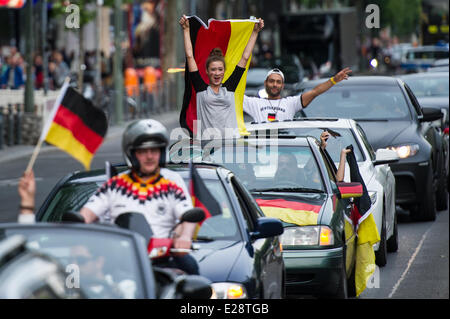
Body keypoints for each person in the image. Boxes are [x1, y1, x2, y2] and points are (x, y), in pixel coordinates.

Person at [79, 119, 199, 274]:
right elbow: (87, 213)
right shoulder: (115, 185)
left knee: (193, 275)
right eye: (142, 151)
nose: (149, 156)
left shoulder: (172, 181)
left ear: (161, 153)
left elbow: (187, 216)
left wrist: (185, 238)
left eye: (154, 151)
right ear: (132, 154)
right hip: (120, 260)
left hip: (163, 258)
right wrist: (77, 224)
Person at [179, 15, 264, 137]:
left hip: (231, 149)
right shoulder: (200, 88)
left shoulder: (230, 87)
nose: (217, 73)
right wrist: (186, 30)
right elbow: (190, 56)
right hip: (208, 148)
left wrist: (255, 32)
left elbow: (245, 57)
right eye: (213, 69)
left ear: (224, 71)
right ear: (207, 72)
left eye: (220, 69)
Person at [243, 67, 352, 123]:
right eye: (271, 81)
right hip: (262, 148)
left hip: (286, 147)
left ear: (283, 85)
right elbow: (231, 94)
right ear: (265, 83)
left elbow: (315, 92)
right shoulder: (254, 103)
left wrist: (334, 80)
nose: (275, 85)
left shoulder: (291, 103)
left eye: (278, 82)